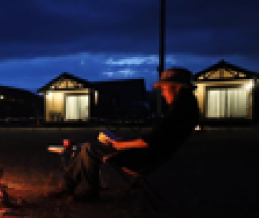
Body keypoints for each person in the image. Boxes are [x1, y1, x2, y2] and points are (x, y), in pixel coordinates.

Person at [47, 67, 200, 202]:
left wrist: (121, 145)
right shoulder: (185, 112)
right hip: (148, 156)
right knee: (88, 147)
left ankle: (85, 192)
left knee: (88, 148)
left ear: (177, 88)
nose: (163, 94)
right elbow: (155, 139)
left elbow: (150, 141)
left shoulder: (178, 114)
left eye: (165, 89)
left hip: (140, 159)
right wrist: (124, 143)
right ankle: (71, 186)